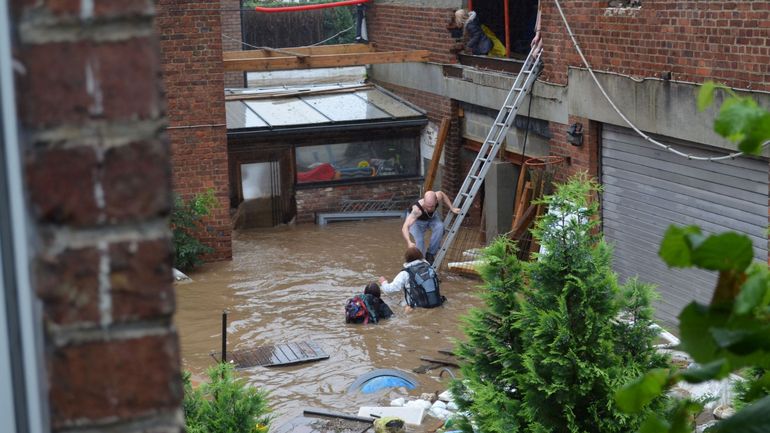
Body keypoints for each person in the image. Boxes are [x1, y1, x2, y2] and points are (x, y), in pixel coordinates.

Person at [402, 190, 460, 264]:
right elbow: (405, 227)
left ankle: (430, 254)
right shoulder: (417, 210)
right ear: (424, 201)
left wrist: (452, 208)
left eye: (432, 206)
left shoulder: (437, 196)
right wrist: (409, 242)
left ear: (436, 201)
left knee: (440, 227)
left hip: (432, 217)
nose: (429, 209)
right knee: (419, 241)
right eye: (427, 206)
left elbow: (442, 194)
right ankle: (419, 262)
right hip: (417, 221)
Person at [379, 247, 445, 309]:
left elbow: (390, 291)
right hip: (436, 303)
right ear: (421, 256)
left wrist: (383, 282)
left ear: (406, 258)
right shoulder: (429, 268)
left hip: (415, 307)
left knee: (390, 301)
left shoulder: (405, 273)